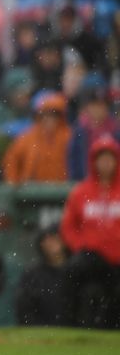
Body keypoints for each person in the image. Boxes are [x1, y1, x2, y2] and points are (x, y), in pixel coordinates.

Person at [60, 135, 120, 328]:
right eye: (101, 159)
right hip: (92, 256)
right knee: (71, 271)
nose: (105, 164)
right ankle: (68, 324)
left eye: (110, 159)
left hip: (117, 258)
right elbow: (68, 226)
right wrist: (81, 246)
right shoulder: (81, 191)